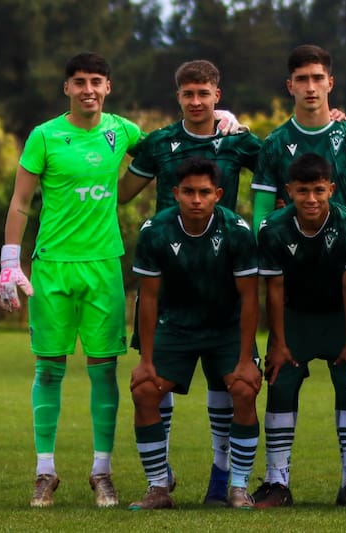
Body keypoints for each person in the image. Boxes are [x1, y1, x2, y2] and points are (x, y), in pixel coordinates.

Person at [0, 52, 144, 508]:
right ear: (67, 88)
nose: (88, 89)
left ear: (108, 87)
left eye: (96, 81)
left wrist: (221, 119)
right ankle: (45, 472)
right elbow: (20, 203)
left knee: (104, 370)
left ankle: (102, 472)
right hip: (52, 267)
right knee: (48, 368)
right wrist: (9, 261)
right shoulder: (45, 136)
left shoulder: (122, 131)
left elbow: (164, 152)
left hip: (103, 265)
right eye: (80, 82)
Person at [118, 59, 262, 505]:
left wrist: (331, 117)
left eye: (204, 93)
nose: (196, 101)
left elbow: (289, 167)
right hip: (171, 290)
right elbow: (118, 193)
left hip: (223, 283)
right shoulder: (160, 143)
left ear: (218, 94)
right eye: (188, 94)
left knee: (234, 388)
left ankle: (229, 482)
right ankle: (159, 482)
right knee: (148, 387)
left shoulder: (237, 141)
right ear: (177, 96)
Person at [254, 152, 346, 508]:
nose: (311, 199)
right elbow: (274, 291)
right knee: (280, 383)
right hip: (295, 317)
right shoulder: (272, 228)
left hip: (340, 316)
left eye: (319, 190)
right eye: (302, 191)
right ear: (289, 190)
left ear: (331, 189)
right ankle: (277, 483)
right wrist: (278, 342)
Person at [251, 44, 346, 232]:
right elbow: (262, 216)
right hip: (290, 249)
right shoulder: (274, 144)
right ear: (290, 86)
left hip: (345, 249)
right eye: (302, 79)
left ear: (330, 83)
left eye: (318, 78)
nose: (310, 88)